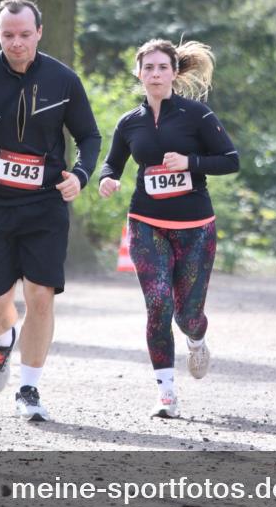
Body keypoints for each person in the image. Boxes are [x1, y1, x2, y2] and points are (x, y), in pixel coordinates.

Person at [0, 0, 100, 422]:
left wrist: (79, 176)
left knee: (41, 296)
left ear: (39, 33)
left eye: (25, 35)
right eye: (8, 35)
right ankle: (4, 338)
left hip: (45, 204)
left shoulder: (63, 80)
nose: (17, 43)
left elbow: (89, 136)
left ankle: (28, 388)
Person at [98, 39, 239, 419]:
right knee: (158, 305)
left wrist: (190, 162)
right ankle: (166, 393)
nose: (155, 74)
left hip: (195, 227)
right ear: (138, 73)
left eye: (162, 67)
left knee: (187, 313)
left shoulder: (197, 115)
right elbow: (112, 164)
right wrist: (106, 180)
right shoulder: (130, 122)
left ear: (174, 73)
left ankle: (196, 337)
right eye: (149, 68)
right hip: (146, 224)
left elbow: (230, 160)